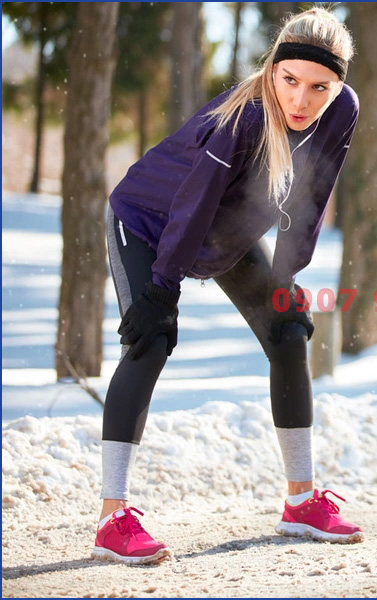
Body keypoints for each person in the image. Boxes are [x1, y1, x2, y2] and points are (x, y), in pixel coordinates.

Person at [92, 7, 362, 565]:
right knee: (152, 341)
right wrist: (162, 290)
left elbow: (311, 199)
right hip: (149, 221)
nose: (301, 100)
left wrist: (287, 279)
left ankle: (301, 503)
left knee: (288, 333)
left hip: (225, 232)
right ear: (273, 71)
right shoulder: (243, 117)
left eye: (320, 87)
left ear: (337, 87)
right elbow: (195, 201)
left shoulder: (342, 112)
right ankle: (111, 519)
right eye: (290, 80)